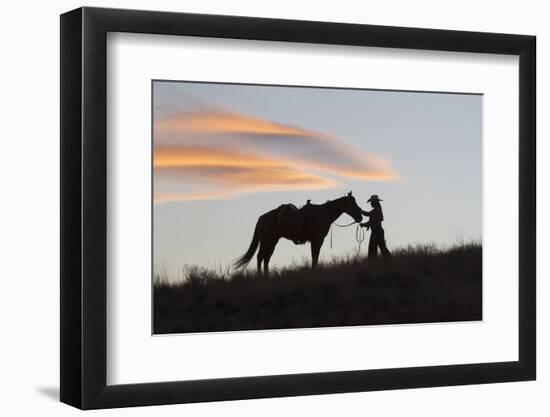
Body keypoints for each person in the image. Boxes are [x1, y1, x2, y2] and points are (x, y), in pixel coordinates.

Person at [360, 195, 391, 259]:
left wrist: (364, 224)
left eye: (371, 202)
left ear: (375, 202)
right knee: (380, 247)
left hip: (377, 231)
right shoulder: (377, 210)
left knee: (374, 248)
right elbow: (371, 218)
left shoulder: (376, 210)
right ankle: (388, 260)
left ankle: (374, 262)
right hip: (377, 231)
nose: (370, 204)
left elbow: (370, 217)